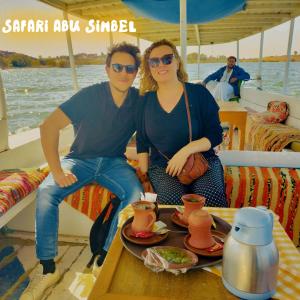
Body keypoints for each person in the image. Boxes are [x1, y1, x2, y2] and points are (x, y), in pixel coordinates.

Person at [20, 42, 143, 300]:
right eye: (118, 67)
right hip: (79, 160)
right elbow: (48, 127)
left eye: (130, 69)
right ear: (107, 69)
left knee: (135, 194)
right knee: (46, 192)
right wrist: (56, 171)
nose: (123, 73)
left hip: (114, 163)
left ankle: (104, 256)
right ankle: (47, 268)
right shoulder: (89, 96)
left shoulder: (138, 102)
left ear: (136, 72)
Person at [137, 39, 227, 207]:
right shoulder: (144, 101)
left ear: (177, 62)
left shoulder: (198, 93)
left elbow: (215, 134)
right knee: (171, 205)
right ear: (149, 68)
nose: (161, 65)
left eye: (167, 59)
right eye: (154, 62)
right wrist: (143, 177)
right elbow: (142, 142)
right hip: (164, 168)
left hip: (201, 161)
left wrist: (185, 151)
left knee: (209, 199)